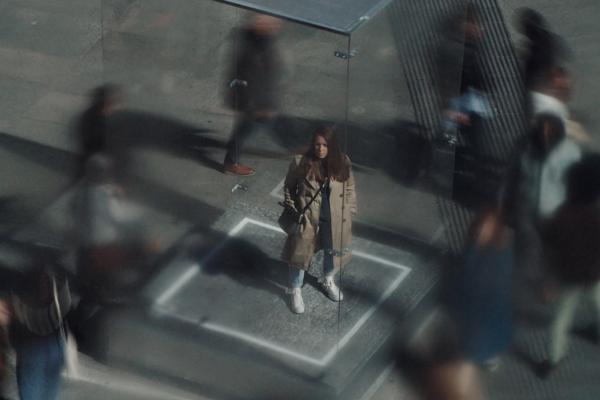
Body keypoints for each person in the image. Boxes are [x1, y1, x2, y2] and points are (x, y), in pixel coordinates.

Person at [281, 128, 357, 314]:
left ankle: (327, 279)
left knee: (333, 252)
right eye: (317, 144)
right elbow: (288, 187)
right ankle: (296, 289)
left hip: (335, 219)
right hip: (308, 219)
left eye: (325, 145)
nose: (321, 149)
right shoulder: (300, 162)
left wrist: (350, 210)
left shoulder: (343, 162)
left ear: (332, 146)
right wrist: (294, 210)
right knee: (298, 255)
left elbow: (349, 188)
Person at [538, 155, 600, 378]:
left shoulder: (561, 215)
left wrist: (548, 281)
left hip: (568, 276)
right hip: (593, 275)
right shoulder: (595, 215)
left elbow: (549, 250)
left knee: (560, 319)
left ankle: (553, 359)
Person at [447, 208, 513, 371]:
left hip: (488, 302)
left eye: (486, 229)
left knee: (483, 334)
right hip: (473, 300)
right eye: (481, 229)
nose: (482, 233)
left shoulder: (500, 252)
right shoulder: (474, 248)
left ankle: (485, 357)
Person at [223, 14, 282, 176]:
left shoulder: (263, 43)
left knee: (252, 127)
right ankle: (231, 161)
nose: (276, 24)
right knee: (248, 128)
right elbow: (248, 80)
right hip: (255, 102)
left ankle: (292, 143)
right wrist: (258, 106)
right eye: (268, 22)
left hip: (262, 99)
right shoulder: (251, 50)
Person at [10, 255, 71, 400]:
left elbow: (17, 317)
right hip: (54, 343)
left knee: (32, 391)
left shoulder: (23, 284)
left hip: (34, 344)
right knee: (48, 391)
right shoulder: (58, 282)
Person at [76, 84, 121, 179]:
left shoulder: (92, 115)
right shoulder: (95, 119)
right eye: (112, 103)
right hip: (94, 165)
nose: (116, 106)